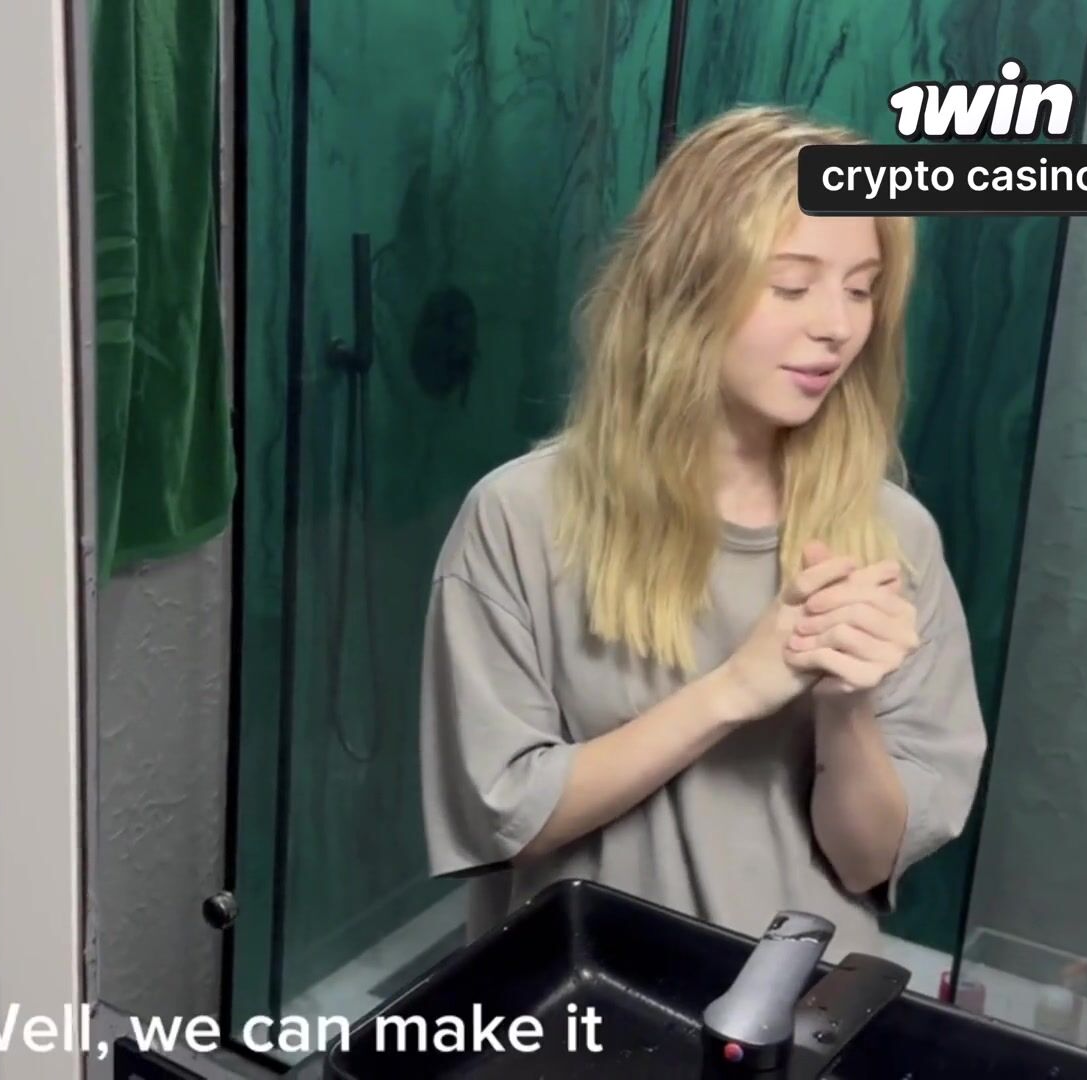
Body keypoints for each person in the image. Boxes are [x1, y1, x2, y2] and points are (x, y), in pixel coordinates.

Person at [418, 104, 988, 961]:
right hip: (588, 985)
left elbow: (868, 860)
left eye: (861, 288)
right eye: (791, 285)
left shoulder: (892, 537)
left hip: (802, 994)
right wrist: (735, 689)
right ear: (686, 288)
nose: (837, 326)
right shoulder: (521, 517)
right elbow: (508, 817)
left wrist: (846, 710)